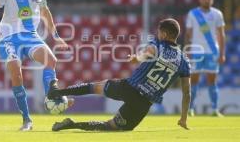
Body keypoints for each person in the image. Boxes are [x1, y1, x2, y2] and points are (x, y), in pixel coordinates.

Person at [49, 18, 191, 131]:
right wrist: (183, 118)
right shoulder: (184, 60)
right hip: (143, 104)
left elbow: (149, 51)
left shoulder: (159, 44)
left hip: (129, 88)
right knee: (111, 127)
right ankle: (72, 125)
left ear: (164, 34)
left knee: (94, 88)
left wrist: (138, 57)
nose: (158, 35)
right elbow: (187, 93)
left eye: (159, 32)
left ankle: (57, 92)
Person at [0, 0, 69, 131]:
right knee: (16, 71)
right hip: (8, 36)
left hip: (30, 35)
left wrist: (55, 36)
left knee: (51, 60)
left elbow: (45, 11)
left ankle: (51, 98)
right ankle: (27, 120)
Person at [185, 0, 226, 117]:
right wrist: (187, 50)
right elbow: (188, 33)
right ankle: (191, 109)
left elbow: (221, 34)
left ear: (212, 0)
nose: (206, 0)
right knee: (194, 80)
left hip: (212, 51)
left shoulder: (217, 14)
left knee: (212, 81)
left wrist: (222, 53)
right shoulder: (193, 14)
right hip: (197, 51)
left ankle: (215, 109)